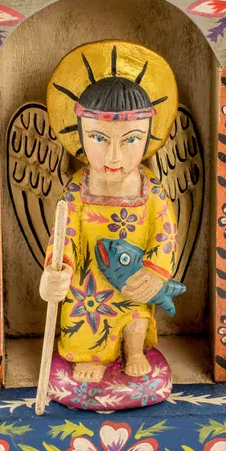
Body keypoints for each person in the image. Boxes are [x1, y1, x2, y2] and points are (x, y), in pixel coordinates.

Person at [40, 42, 179, 382]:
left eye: (130, 140)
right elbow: (64, 235)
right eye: (99, 138)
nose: (114, 157)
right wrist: (56, 272)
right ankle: (91, 355)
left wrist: (156, 272)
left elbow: (166, 235)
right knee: (84, 314)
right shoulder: (77, 191)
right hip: (88, 285)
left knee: (135, 310)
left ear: (148, 137)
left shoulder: (151, 191)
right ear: (80, 133)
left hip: (133, 278)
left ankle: (134, 350)